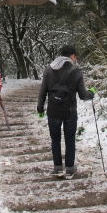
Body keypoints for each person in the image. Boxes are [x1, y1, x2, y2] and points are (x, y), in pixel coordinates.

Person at [37, 45, 94, 179]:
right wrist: (91, 93)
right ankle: (69, 169)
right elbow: (83, 95)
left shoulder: (49, 70)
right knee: (69, 139)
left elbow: (42, 91)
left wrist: (40, 108)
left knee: (55, 139)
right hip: (70, 111)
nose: (75, 59)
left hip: (53, 111)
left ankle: (57, 168)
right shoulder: (76, 72)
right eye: (75, 57)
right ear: (72, 56)